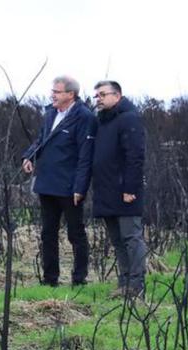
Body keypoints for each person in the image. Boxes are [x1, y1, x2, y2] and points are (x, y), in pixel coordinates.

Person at [21, 75, 97, 287]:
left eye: (57, 91)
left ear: (70, 94)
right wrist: (29, 156)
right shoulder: (50, 112)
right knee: (48, 234)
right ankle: (49, 279)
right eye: (52, 91)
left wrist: (79, 187)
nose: (52, 95)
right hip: (47, 183)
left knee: (75, 234)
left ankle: (79, 279)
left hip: (69, 186)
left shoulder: (84, 117)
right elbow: (41, 139)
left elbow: (85, 155)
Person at [91, 80, 148, 299]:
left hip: (125, 191)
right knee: (116, 240)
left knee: (131, 238)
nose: (99, 99)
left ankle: (136, 284)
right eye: (97, 96)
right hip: (106, 191)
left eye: (103, 95)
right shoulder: (103, 121)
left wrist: (130, 188)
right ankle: (124, 283)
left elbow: (135, 156)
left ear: (117, 95)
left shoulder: (129, 118)